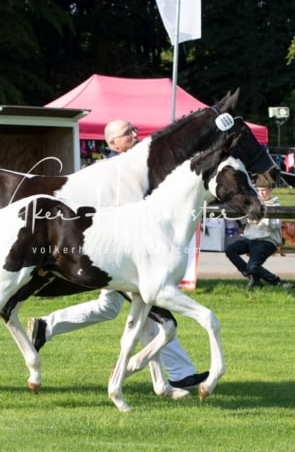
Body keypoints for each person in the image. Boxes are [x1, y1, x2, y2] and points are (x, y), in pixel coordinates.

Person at [27, 118, 209, 390]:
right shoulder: (112, 173)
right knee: (154, 312)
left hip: (126, 256)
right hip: (118, 255)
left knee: (109, 308)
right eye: (128, 133)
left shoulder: (139, 170)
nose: (135, 134)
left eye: (134, 129)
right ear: (113, 143)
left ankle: (46, 327)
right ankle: (178, 374)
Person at [225, 175, 294, 289]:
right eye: (259, 190)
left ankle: (278, 282)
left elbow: (275, 226)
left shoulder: (276, 205)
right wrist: (243, 217)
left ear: (270, 190)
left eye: (264, 190)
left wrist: (260, 219)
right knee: (230, 250)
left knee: (253, 266)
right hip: (249, 238)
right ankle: (251, 276)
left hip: (267, 241)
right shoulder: (253, 204)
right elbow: (244, 222)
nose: (262, 193)